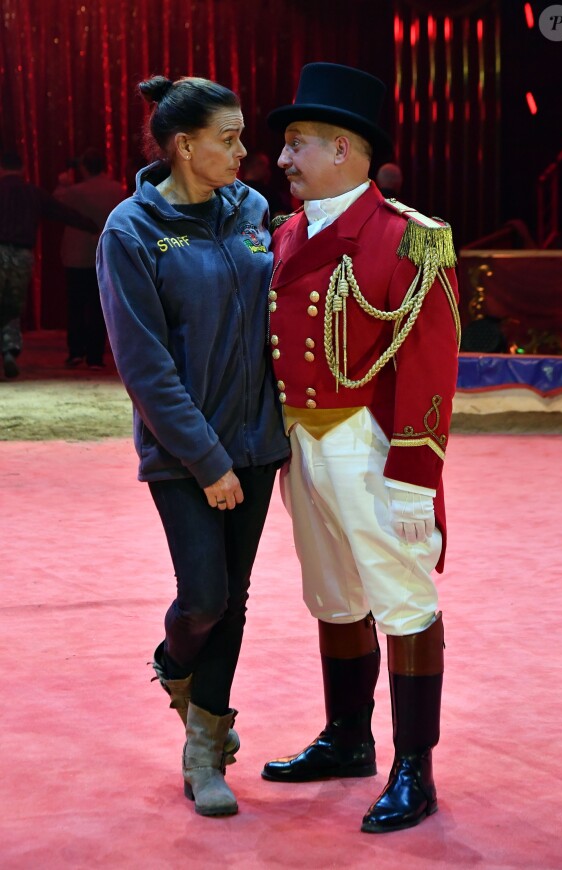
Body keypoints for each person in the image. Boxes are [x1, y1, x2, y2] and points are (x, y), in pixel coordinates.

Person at [261, 62, 461, 834]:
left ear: (343, 149)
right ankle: (348, 738)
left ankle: (416, 768)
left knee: (402, 599)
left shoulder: (410, 238)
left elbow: (431, 363)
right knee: (334, 596)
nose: (283, 158)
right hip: (303, 443)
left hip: (371, 444)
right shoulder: (291, 231)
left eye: (297, 143)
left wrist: (414, 474)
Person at [96, 75, 289, 818]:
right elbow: (144, 365)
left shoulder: (252, 211)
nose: (244, 152)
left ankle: (205, 747)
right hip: (182, 453)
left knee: (233, 599)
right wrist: (208, 461)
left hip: (258, 442)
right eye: (228, 138)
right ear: (184, 145)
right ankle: (172, 663)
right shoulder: (131, 231)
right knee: (204, 596)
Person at [0, 151, 98, 378]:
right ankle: (9, 350)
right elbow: (61, 212)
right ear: (23, 168)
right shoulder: (32, 193)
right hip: (22, 255)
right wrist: (91, 226)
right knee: (12, 305)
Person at [54, 147, 126, 369]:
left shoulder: (74, 191)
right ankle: (95, 356)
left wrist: (63, 183)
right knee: (100, 306)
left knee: (76, 305)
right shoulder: (117, 189)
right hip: (106, 253)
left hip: (77, 255)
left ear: (84, 167)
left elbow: (56, 204)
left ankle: (76, 352)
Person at [241, 151, 291, 218]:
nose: (267, 169)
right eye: (265, 165)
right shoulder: (269, 192)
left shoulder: (235, 190)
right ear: (256, 165)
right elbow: (279, 218)